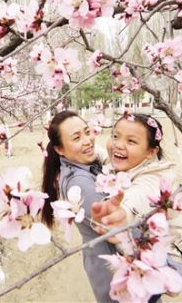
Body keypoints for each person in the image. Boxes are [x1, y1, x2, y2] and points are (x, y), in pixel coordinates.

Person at [91, 112, 182, 300]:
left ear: (151, 152)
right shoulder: (124, 164)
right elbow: (102, 155)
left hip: (170, 261)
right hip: (148, 252)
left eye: (131, 141)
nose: (118, 144)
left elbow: (138, 197)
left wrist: (122, 211)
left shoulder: (156, 177)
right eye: (115, 136)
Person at [41, 110, 117, 303]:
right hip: (115, 272)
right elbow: (118, 230)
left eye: (87, 131)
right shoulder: (79, 184)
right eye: (76, 138)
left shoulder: (80, 166)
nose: (87, 140)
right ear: (59, 149)